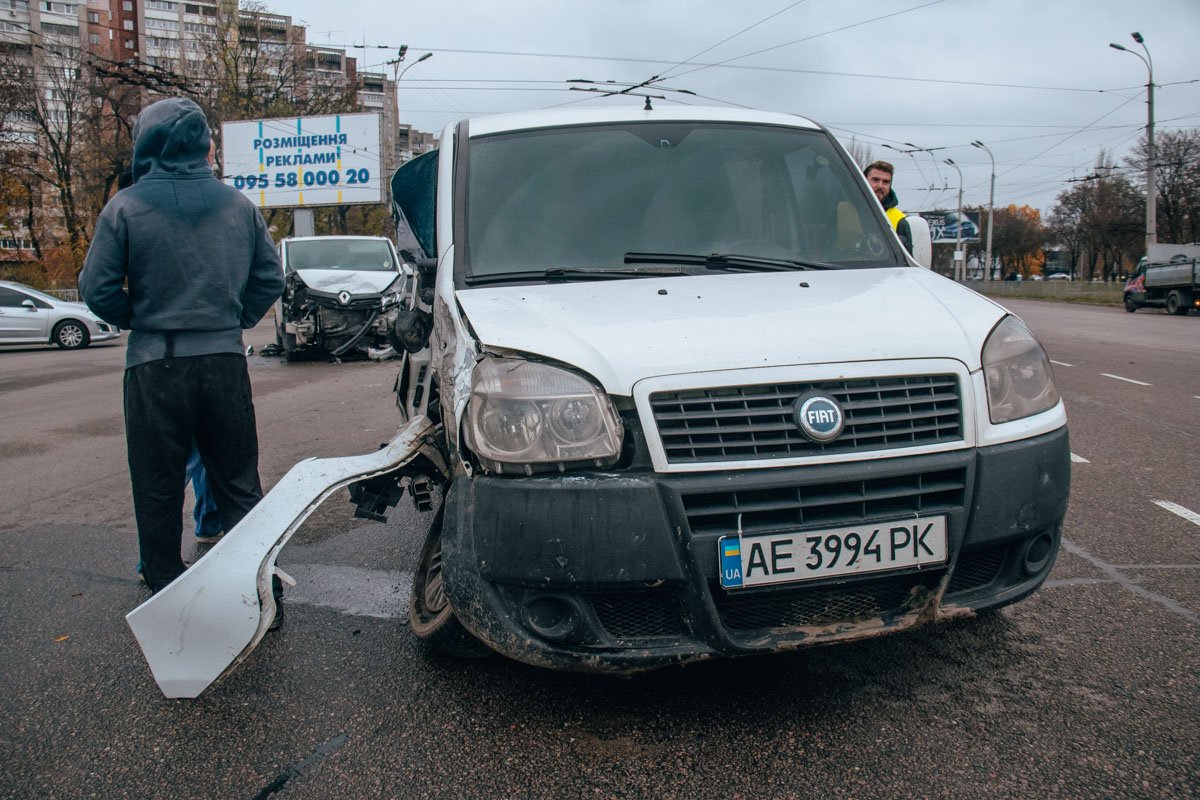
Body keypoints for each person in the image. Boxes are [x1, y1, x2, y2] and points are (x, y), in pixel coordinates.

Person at [80, 97, 284, 600]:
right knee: (238, 481)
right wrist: (231, 321)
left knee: (157, 485)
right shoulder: (237, 204)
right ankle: (258, 593)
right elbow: (269, 278)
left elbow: (97, 290)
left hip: (155, 365)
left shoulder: (124, 206)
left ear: (146, 143)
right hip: (223, 361)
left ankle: (166, 591)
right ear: (201, 146)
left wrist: (144, 321)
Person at [863, 160, 913, 254]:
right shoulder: (845, 209)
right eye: (875, 180)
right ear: (863, 180)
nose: (880, 186)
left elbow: (905, 261)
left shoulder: (900, 220)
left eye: (885, 182)